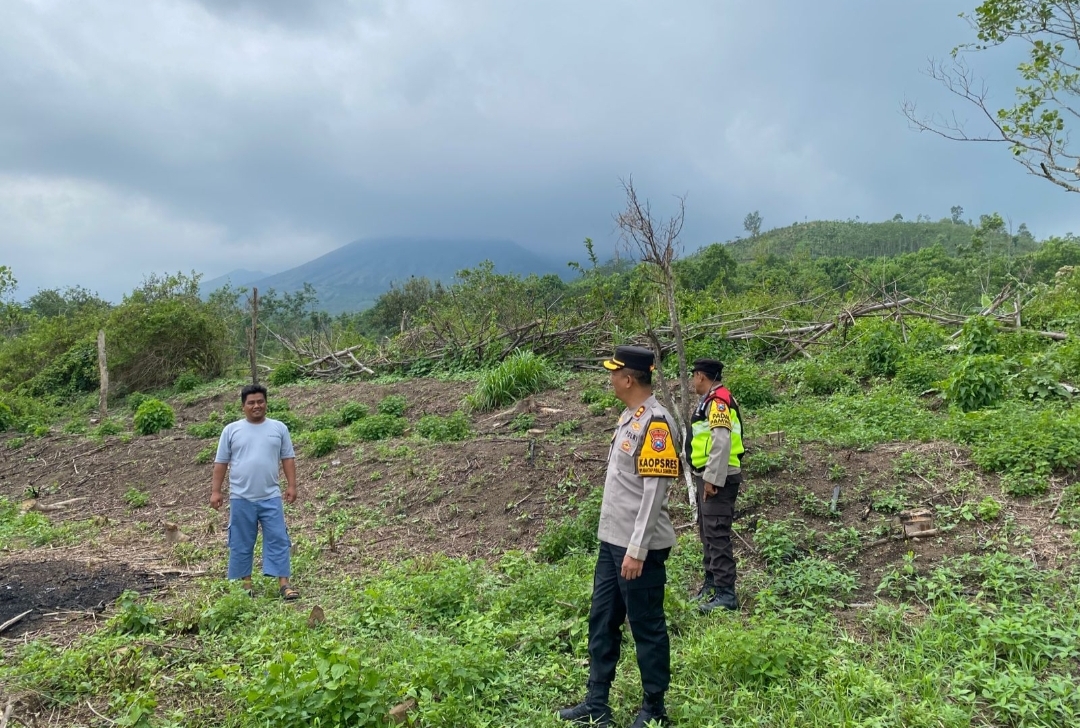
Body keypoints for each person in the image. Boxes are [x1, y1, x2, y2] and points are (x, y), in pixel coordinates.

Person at [558, 345, 678, 728]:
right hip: (613, 542)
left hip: (637, 547)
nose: (610, 379)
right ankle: (597, 701)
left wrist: (637, 548)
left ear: (628, 379)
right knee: (603, 618)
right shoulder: (630, 417)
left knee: (646, 625)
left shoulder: (656, 423)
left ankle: (654, 710)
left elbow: (654, 492)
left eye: (614, 373)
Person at [210, 383, 300, 600]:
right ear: (243, 406)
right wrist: (216, 491)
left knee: (278, 538)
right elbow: (221, 462)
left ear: (266, 403)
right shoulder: (231, 430)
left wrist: (291, 485)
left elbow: (288, 458)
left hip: (270, 496)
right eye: (251, 402)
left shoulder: (279, 428)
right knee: (241, 541)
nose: (256, 406)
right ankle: (246, 586)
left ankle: (284, 584)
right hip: (241, 497)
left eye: (260, 401)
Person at [684, 358, 744, 614]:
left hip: (718, 478)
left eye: (693, 376)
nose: (692, 382)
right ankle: (711, 585)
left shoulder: (718, 401)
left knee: (717, 533)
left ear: (700, 376)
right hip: (706, 475)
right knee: (707, 532)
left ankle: (725, 593)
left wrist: (711, 479)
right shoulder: (710, 399)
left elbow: (721, 442)